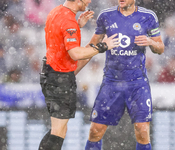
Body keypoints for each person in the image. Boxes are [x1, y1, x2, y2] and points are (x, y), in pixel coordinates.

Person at [38, 0, 119, 150]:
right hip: (59, 79)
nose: (89, 1)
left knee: (59, 129)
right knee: (58, 131)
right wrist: (103, 46)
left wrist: (77, 26)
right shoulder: (68, 21)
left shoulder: (56, 11)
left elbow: (58, 35)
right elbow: (75, 53)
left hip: (50, 73)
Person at [85, 0, 164, 150]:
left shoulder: (148, 16)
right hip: (111, 82)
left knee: (142, 130)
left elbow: (160, 48)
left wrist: (150, 42)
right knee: (95, 131)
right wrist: (73, 70)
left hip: (137, 83)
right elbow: (91, 47)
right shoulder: (106, 16)